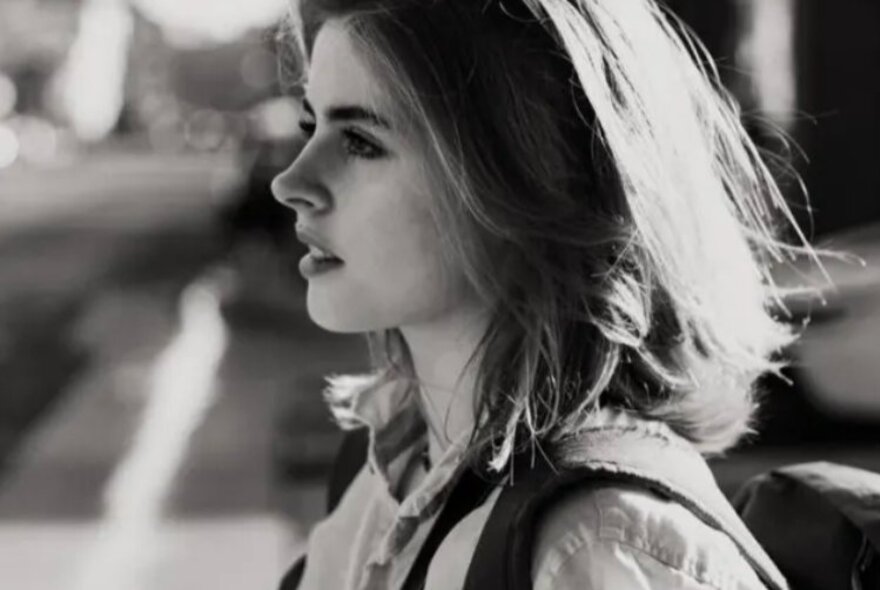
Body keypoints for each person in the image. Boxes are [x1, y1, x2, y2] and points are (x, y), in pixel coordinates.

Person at [269, 0, 827, 588]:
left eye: (359, 140)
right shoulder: (389, 468)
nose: (290, 183)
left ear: (527, 179)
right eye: (311, 126)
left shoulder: (596, 548)